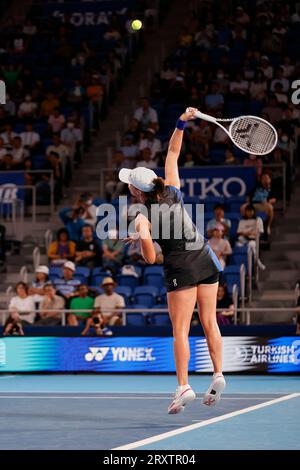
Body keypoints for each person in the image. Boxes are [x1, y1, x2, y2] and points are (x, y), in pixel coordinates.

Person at [119, 107, 225, 414]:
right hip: (206, 259)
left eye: (129, 183)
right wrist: (181, 120)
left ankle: (183, 386)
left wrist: (142, 236)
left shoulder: (141, 215)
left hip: (181, 266)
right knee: (209, 322)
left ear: (135, 191)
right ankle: (217, 373)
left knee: (180, 330)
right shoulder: (173, 190)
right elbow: (174, 149)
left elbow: (151, 258)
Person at [236, 204, 265, 270]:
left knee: (251, 245)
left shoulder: (258, 220)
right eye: (247, 211)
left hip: (253, 239)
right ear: (245, 212)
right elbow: (239, 232)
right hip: (243, 239)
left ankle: (256, 263)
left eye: (251, 211)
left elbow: (260, 232)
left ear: (253, 211)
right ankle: (256, 262)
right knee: (238, 245)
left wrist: (253, 234)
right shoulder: (242, 221)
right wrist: (246, 234)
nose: (249, 213)